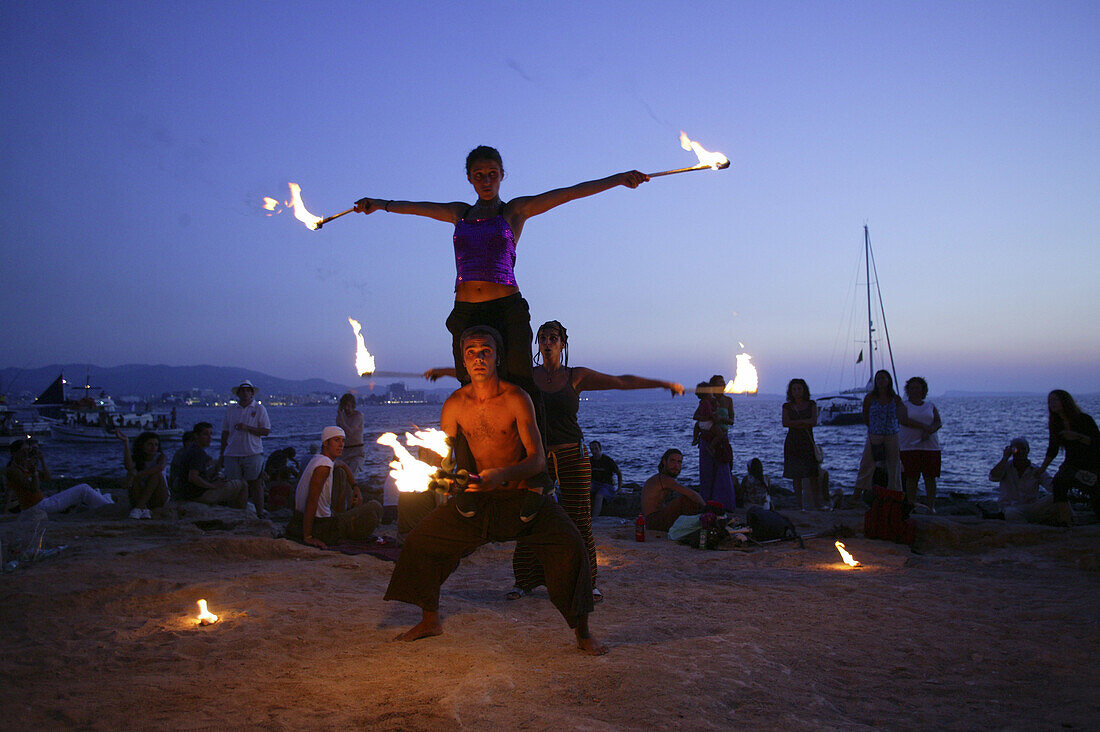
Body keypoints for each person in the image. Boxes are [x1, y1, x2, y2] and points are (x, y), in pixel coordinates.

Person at [353, 146, 650, 434]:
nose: (486, 180)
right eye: (479, 174)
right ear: (469, 177)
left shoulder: (514, 211)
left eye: (492, 174)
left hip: (507, 308)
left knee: (519, 382)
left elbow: (568, 193)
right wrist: (379, 204)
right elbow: (417, 208)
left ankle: (535, 460)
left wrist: (618, 179)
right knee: (469, 383)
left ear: (502, 175)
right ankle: (471, 459)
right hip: (466, 310)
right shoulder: (460, 213)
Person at [384, 326, 605, 655]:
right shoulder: (454, 405)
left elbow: (537, 461)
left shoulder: (517, 398)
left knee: (572, 546)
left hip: (522, 497)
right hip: (479, 500)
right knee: (420, 541)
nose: (478, 357)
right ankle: (430, 619)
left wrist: (502, 474)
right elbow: (447, 460)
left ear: (498, 356)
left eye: (485, 350)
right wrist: (443, 474)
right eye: (470, 351)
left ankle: (583, 633)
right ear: (463, 359)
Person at [510, 320, 682, 602]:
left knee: (579, 519)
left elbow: (621, 382)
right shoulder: (528, 377)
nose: (547, 341)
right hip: (537, 457)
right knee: (530, 516)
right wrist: (445, 371)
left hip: (573, 454)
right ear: (537, 344)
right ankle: (525, 580)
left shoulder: (576, 376)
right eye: (543, 337)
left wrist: (662, 384)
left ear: (563, 344)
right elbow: (492, 380)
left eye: (553, 337)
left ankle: (586, 583)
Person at [286, 426, 382, 548]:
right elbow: (312, 500)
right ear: (325, 442)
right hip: (322, 526)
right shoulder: (324, 465)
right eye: (336, 440)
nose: (341, 445)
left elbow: (342, 465)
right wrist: (308, 537)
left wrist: (355, 487)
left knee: (340, 472)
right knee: (376, 506)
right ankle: (342, 530)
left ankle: (340, 517)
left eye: (343, 441)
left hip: (316, 520)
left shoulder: (318, 459)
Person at [1035, 390, 1100, 524]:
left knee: (1095, 493)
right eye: (1049, 401)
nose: (1051, 404)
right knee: (1059, 485)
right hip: (1071, 462)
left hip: (1091, 462)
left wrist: (1078, 437)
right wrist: (1042, 469)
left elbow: (1097, 442)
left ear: (1065, 401)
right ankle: (1066, 521)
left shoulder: (1084, 419)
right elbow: (1052, 449)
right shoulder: (1056, 424)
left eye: (1055, 400)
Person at [5, 439, 114, 513]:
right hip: (37, 506)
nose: (26, 454)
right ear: (13, 453)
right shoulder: (13, 470)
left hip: (41, 503)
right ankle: (108, 506)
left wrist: (41, 461)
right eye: (23, 451)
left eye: (27, 451)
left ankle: (105, 500)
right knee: (83, 488)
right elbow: (34, 488)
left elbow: (47, 478)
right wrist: (34, 473)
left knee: (88, 492)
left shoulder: (25, 467)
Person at [220, 380, 271, 518]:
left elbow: (266, 431)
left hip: (252, 452)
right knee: (233, 486)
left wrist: (247, 428)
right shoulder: (231, 410)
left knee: (256, 484)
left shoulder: (259, 409)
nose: (245, 393)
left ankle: (260, 513)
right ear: (238, 393)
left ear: (252, 392)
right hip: (232, 453)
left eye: (247, 390)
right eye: (242, 390)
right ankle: (236, 514)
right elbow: (225, 432)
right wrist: (222, 453)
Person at [854, 370, 905, 501]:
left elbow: (902, 416)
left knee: (894, 465)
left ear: (889, 380)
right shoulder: (870, 398)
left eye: (883, 378)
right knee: (867, 464)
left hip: (892, 435)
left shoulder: (896, 399)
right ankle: (857, 495)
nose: (881, 381)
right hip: (874, 435)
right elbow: (865, 415)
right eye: (878, 379)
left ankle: (894, 493)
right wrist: (873, 429)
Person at [177, 422, 248, 510]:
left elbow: (202, 471)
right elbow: (193, 477)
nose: (210, 437)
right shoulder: (197, 453)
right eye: (205, 434)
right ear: (196, 436)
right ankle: (242, 513)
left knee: (226, 481)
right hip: (198, 495)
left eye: (211, 434)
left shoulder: (191, 450)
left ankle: (233, 508)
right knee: (243, 484)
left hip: (188, 492)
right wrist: (213, 486)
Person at [898, 376, 943, 512]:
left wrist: (930, 430)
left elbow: (938, 422)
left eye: (917, 387)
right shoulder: (903, 405)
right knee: (911, 478)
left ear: (923, 389)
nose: (915, 390)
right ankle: (911, 504)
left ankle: (931, 506)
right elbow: (904, 420)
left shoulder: (930, 406)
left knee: (930, 477)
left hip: (931, 447)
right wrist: (924, 427)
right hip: (909, 446)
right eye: (912, 388)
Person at [988, 437, 1056, 523]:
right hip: (1010, 508)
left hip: (1031, 507)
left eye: (1023, 449)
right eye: (1016, 449)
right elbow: (993, 477)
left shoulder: (1036, 470)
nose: (1020, 452)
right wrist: (1005, 458)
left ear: (1028, 451)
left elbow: (1052, 487)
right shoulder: (1005, 467)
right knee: (1011, 513)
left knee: (1057, 497)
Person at [693, 382, 736, 511]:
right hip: (708, 437)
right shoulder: (707, 402)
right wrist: (710, 417)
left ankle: (723, 502)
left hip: (721, 438)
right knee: (707, 473)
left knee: (723, 470)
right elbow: (697, 416)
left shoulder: (727, 401)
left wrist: (720, 419)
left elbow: (731, 420)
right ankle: (707, 501)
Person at [641, 449, 705, 532]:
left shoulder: (661, 478)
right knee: (685, 500)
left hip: (653, 520)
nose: (676, 465)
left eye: (679, 462)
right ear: (664, 462)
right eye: (672, 461)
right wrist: (706, 507)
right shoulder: (664, 479)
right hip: (653, 522)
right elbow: (692, 494)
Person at [782, 378, 821, 510]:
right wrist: (804, 422)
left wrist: (797, 422)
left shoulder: (811, 404)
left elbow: (814, 421)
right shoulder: (787, 406)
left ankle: (817, 504)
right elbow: (785, 423)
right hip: (793, 442)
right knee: (796, 475)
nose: (797, 392)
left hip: (807, 441)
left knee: (812, 474)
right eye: (794, 389)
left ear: (804, 390)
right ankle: (799, 505)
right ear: (790, 391)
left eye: (799, 389)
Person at [115, 430, 169, 519]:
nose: (153, 447)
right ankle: (143, 508)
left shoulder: (160, 457)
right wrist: (126, 442)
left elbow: (160, 467)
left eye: (156, 444)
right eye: (150, 444)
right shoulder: (137, 458)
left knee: (155, 474)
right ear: (142, 445)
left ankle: (139, 507)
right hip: (139, 495)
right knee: (132, 472)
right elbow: (128, 466)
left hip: (158, 497)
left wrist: (137, 475)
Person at [589, 440, 622, 518]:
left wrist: (619, 488)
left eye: (596, 448)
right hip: (595, 483)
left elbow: (619, 473)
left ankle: (594, 518)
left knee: (599, 496)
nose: (594, 451)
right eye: (592, 449)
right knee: (584, 491)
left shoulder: (607, 461)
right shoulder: (590, 461)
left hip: (606, 485)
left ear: (600, 448)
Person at [336, 393, 366, 480]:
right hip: (344, 452)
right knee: (340, 478)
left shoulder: (358, 416)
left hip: (357, 452)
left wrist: (341, 418)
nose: (347, 408)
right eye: (345, 406)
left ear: (353, 405)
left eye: (349, 406)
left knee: (351, 477)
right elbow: (338, 432)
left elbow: (350, 432)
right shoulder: (341, 416)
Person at [167, 430, 195, 497]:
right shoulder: (181, 454)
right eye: (192, 441)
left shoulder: (192, 453)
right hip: (179, 484)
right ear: (186, 442)